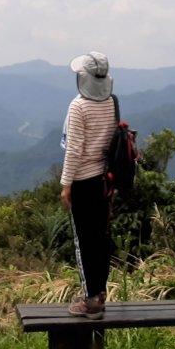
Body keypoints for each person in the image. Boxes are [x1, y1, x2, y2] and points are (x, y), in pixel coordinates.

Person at [60, 50, 117, 319]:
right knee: (101, 240)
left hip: (83, 182)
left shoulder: (78, 106)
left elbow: (74, 150)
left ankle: (90, 301)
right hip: (105, 183)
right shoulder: (112, 102)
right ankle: (100, 294)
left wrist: (66, 184)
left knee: (84, 243)